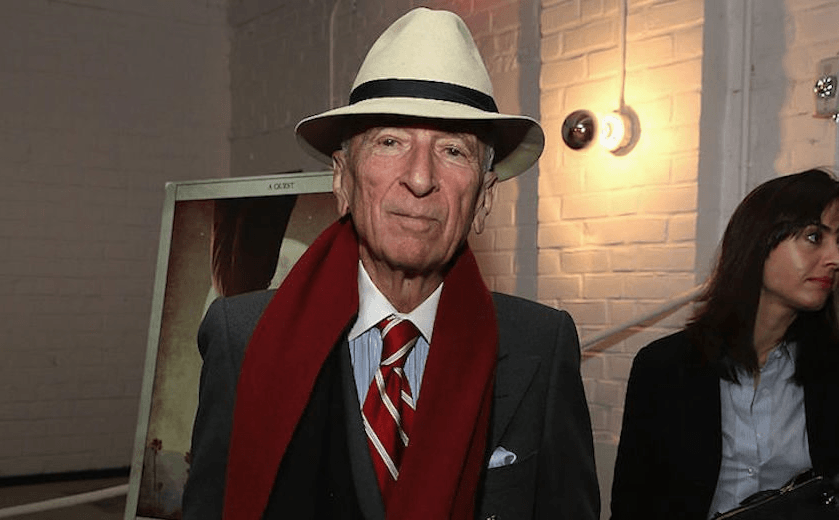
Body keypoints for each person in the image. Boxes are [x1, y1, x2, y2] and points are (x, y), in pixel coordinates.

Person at [182, 7, 599, 520]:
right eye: (390, 142)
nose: (420, 177)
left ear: (484, 197)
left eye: (453, 150)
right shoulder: (240, 338)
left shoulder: (540, 344)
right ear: (343, 180)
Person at [610, 169, 839, 519]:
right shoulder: (663, 367)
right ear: (759, 241)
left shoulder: (832, 369)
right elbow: (634, 505)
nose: (835, 259)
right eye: (813, 237)